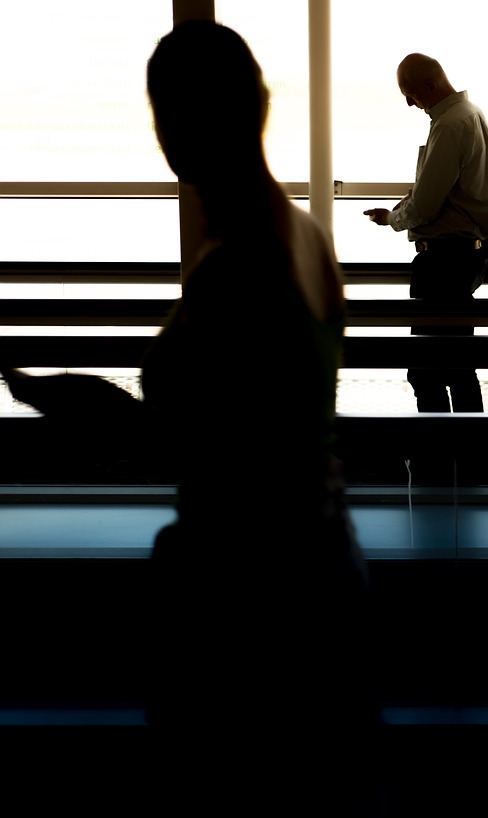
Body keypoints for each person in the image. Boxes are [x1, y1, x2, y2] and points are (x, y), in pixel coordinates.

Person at [8, 21, 382, 814]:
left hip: (245, 601)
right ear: (261, 106)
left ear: (173, 128)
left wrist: (55, 394)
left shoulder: (235, 266)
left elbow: (176, 443)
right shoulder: (307, 236)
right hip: (323, 568)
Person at [364, 53, 488, 413]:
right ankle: (470, 461)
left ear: (430, 85)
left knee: (425, 368)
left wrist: (393, 219)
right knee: (458, 365)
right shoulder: (471, 115)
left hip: (443, 260)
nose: (411, 103)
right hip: (466, 254)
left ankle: (435, 458)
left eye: (411, 94)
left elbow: (426, 203)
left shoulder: (450, 125)